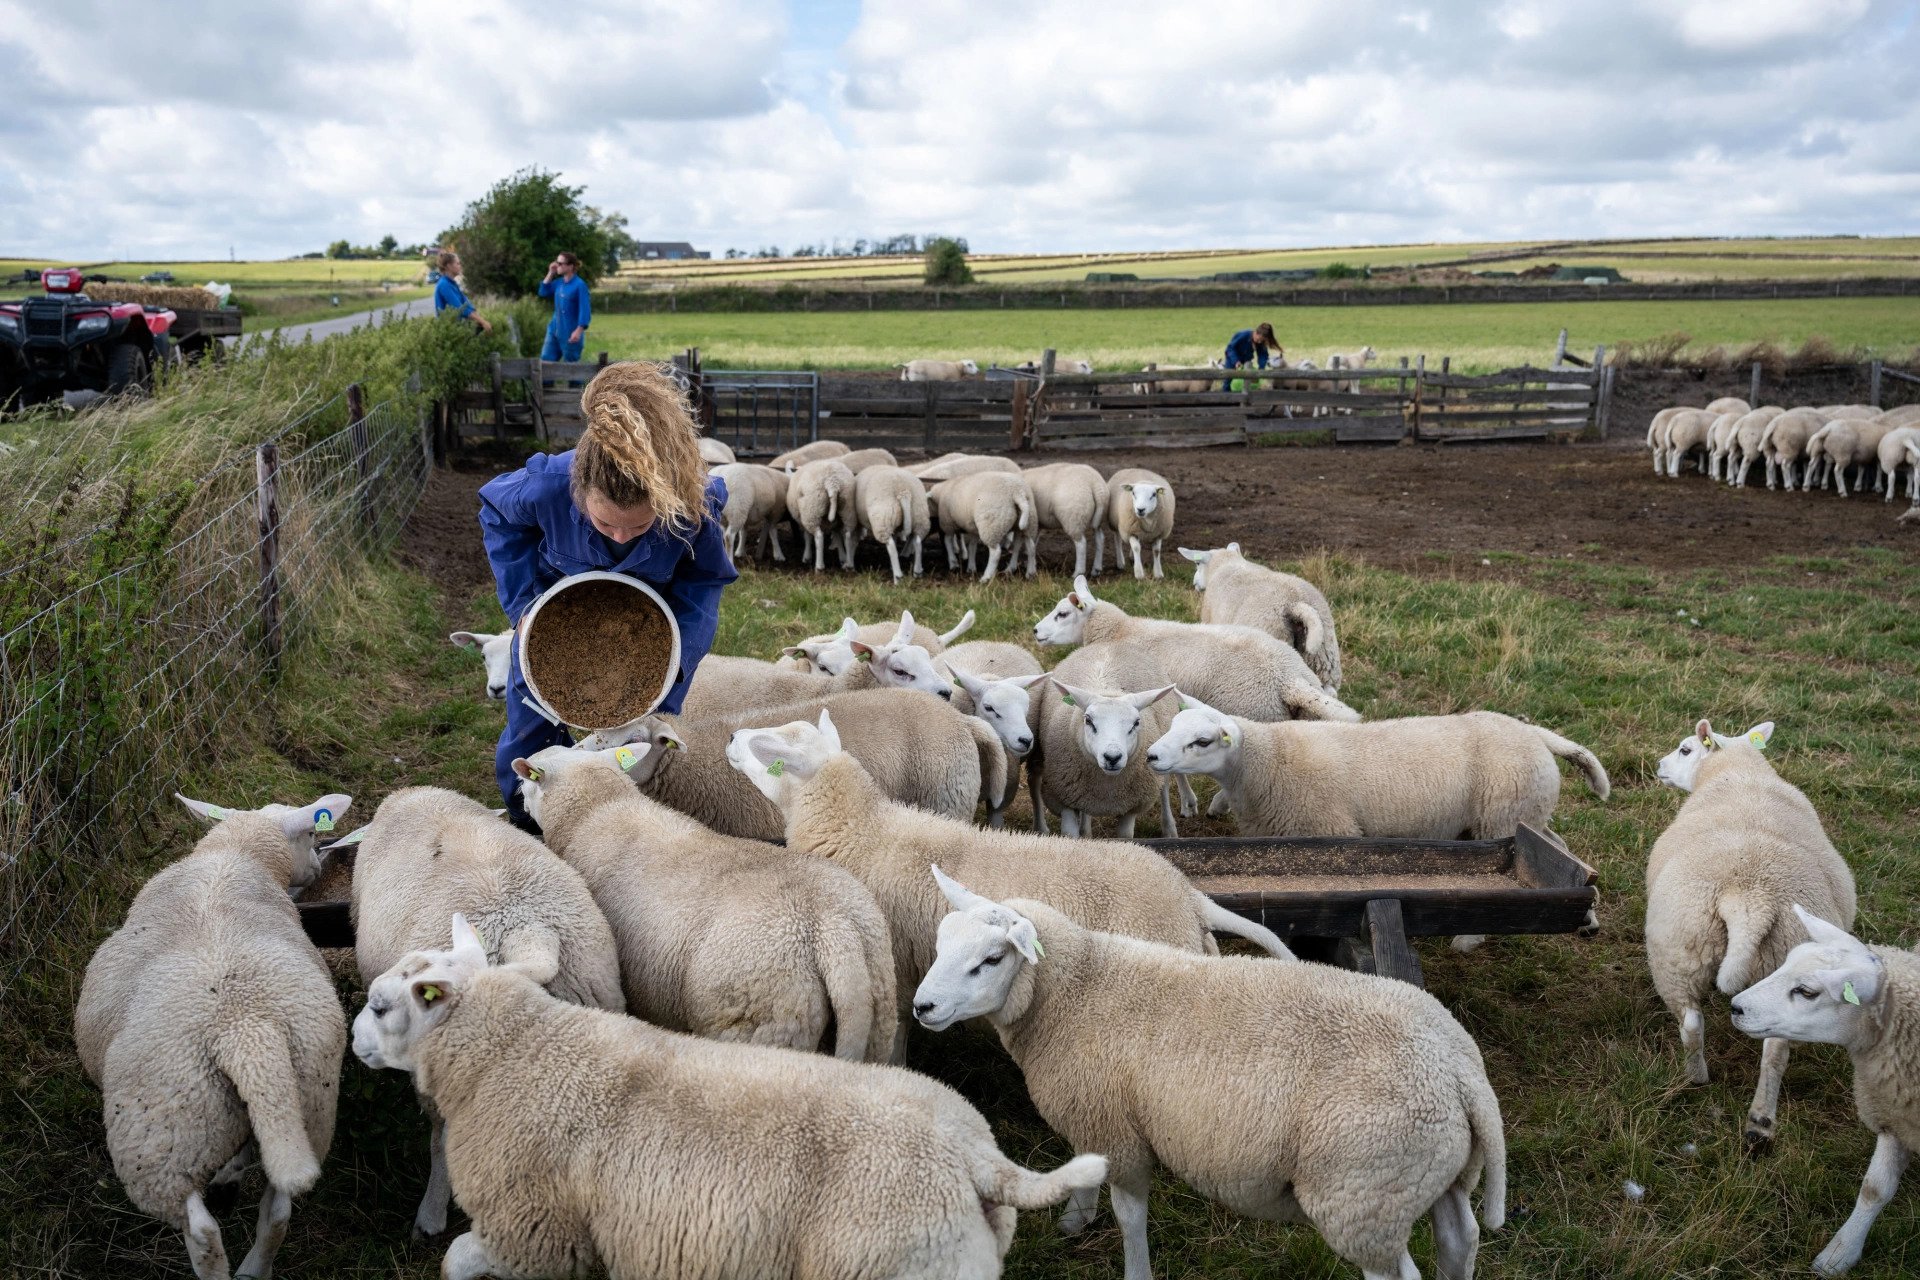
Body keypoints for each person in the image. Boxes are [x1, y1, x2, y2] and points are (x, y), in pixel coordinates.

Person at [478, 361, 738, 826]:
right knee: (528, 739)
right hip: (556, 626)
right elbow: (498, 515)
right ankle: (530, 826)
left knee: (636, 746)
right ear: (580, 493)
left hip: (642, 635)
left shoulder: (694, 504)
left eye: (639, 526)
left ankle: (617, 831)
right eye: (603, 523)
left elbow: (704, 580)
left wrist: (675, 664)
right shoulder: (548, 486)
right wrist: (523, 606)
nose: (620, 538)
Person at [538, 251, 591, 362]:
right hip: (553, 331)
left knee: (572, 370)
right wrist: (551, 272)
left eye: (560, 263)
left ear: (570, 266)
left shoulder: (580, 285)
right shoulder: (559, 283)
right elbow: (543, 292)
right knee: (546, 364)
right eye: (557, 262)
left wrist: (578, 331)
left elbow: (585, 310)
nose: (557, 265)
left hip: (570, 333)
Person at [432, 250, 491, 333]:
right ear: (449, 266)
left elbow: (467, 304)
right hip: (447, 332)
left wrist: (480, 320)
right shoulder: (444, 285)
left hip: (456, 328)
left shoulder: (453, 283)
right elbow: (460, 309)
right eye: (458, 263)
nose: (460, 266)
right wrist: (483, 322)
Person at [1221, 321, 1279, 390]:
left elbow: (1263, 355)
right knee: (1228, 379)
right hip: (1232, 359)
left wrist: (1261, 368)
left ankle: (1242, 398)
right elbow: (1230, 348)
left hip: (1246, 361)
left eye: (1261, 341)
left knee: (1246, 381)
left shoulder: (1260, 342)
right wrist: (1236, 361)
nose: (1259, 342)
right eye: (1258, 339)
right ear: (1255, 333)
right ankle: (1226, 398)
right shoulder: (1243, 335)